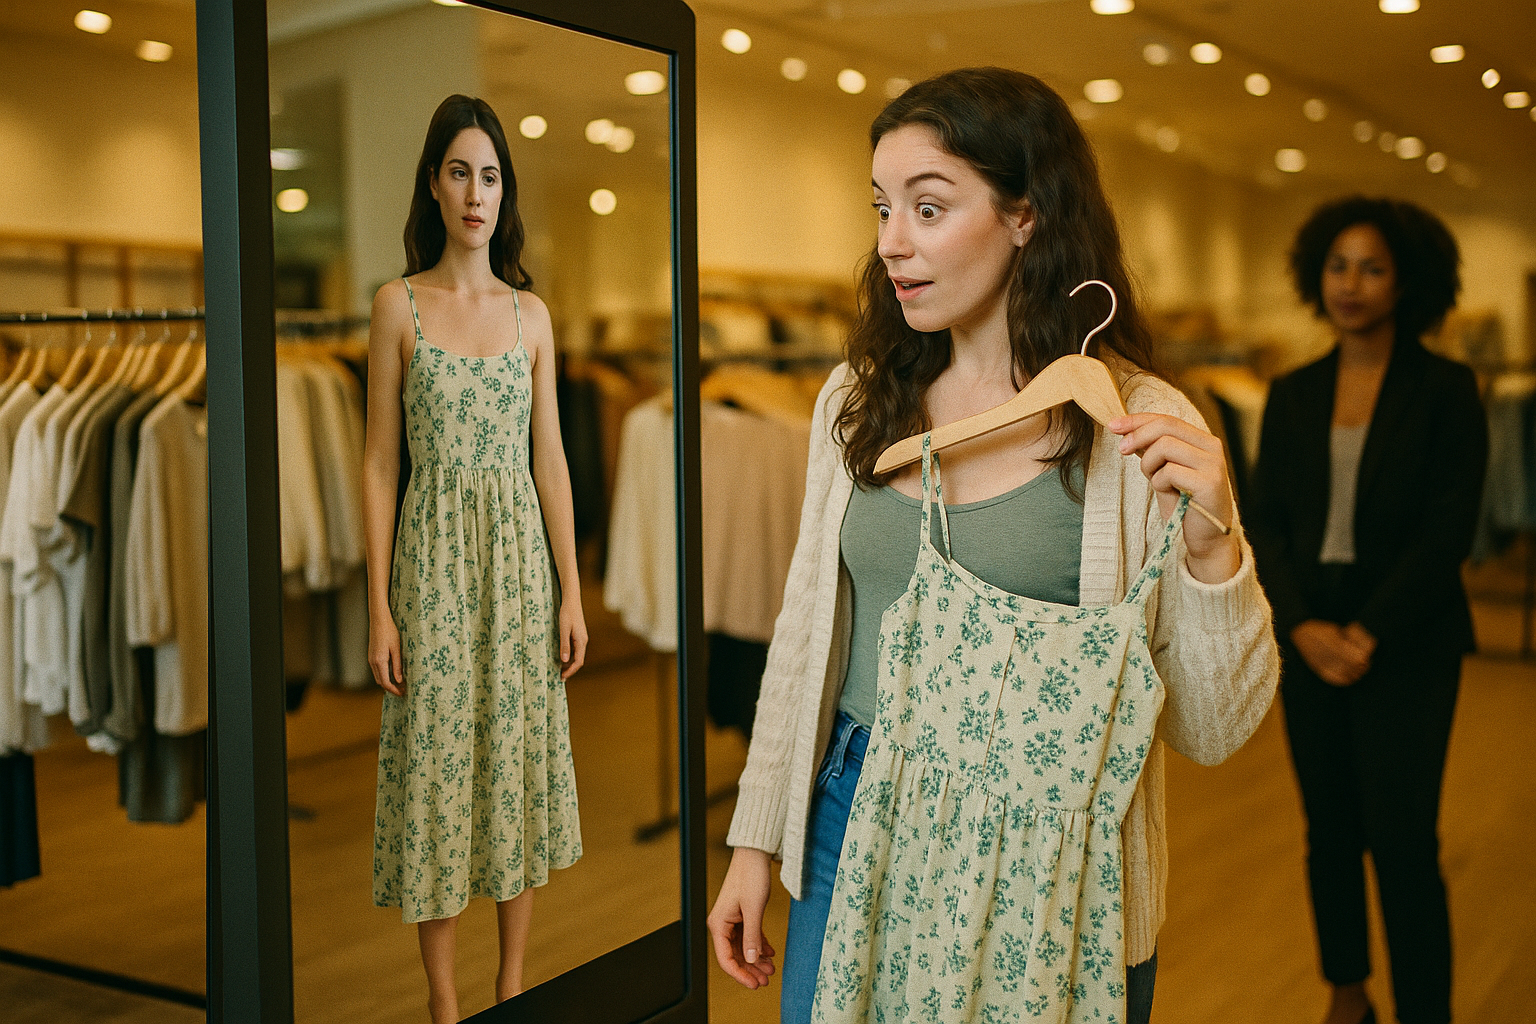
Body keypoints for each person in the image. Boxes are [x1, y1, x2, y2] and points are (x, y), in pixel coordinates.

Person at [707, 67, 1279, 1024]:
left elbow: (1214, 730)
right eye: (883, 207)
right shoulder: (853, 399)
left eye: (929, 208)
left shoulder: (1140, 426)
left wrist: (1216, 548)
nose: (893, 243)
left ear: (1026, 214)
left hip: (1050, 860)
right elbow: (806, 634)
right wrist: (755, 842)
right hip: (852, 806)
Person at [362, 94, 586, 1024]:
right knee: (440, 774)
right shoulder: (397, 304)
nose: (474, 192)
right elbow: (379, 462)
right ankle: (446, 1005)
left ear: (505, 193)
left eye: (489, 175)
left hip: (520, 575)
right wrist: (378, 604)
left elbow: (553, 460)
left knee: (511, 769)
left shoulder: (533, 315)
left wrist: (575, 589)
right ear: (433, 183)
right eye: (459, 171)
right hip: (432, 574)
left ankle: (513, 985)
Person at [1250, 197, 1486, 1024]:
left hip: (1409, 637)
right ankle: (1347, 992)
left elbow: (1449, 526)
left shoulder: (1448, 390)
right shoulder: (1291, 392)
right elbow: (1264, 521)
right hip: (1310, 628)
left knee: (1405, 839)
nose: (1351, 283)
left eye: (1373, 267)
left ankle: (1427, 1008)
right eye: (1338, 265)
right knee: (1330, 830)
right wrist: (1304, 626)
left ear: (1407, 280)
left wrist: (1369, 630)